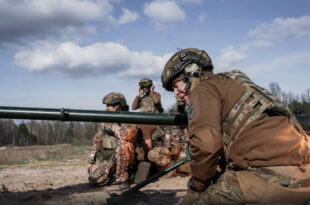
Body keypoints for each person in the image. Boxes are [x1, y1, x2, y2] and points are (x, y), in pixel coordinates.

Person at [161, 48, 310, 204]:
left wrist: (196, 185)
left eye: (175, 85)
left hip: (267, 176)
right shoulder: (236, 83)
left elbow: (206, 145)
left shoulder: (202, 89)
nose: (176, 93)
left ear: (191, 73)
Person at [87, 92, 137, 191]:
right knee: (94, 180)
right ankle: (114, 176)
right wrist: (90, 161)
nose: (106, 108)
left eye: (109, 106)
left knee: (123, 146)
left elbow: (125, 137)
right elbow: (97, 140)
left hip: (124, 158)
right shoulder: (105, 121)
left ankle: (123, 179)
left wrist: (112, 125)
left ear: (117, 107)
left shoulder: (129, 120)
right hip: (109, 160)